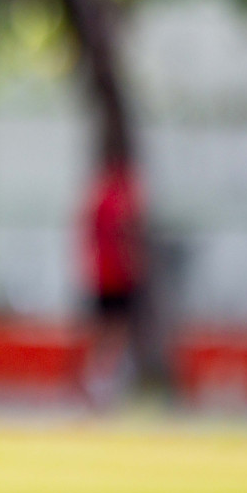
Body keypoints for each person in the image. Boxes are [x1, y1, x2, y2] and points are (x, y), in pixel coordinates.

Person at [79, 156, 145, 409]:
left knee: (106, 330)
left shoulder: (98, 198)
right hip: (115, 275)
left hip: (101, 274)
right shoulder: (119, 200)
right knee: (116, 330)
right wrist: (133, 264)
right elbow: (123, 235)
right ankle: (102, 383)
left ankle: (99, 381)